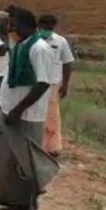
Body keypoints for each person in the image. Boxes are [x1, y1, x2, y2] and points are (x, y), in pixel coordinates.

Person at [0, 7, 55, 210]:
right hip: (8, 109)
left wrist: (18, 111)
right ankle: (4, 193)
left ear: (22, 24)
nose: (8, 27)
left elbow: (43, 84)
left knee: (25, 162)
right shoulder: (20, 45)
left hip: (27, 116)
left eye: (12, 23)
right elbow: (8, 77)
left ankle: (23, 203)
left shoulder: (40, 49)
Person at [38, 14, 74, 157]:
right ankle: (37, 144)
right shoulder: (32, 40)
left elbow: (67, 63)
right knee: (36, 115)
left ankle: (53, 147)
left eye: (50, 27)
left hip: (53, 83)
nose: (47, 30)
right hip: (35, 83)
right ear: (39, 26)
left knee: (52, 116)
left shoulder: (60, 41)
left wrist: (65, 85)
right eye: (44, 27)